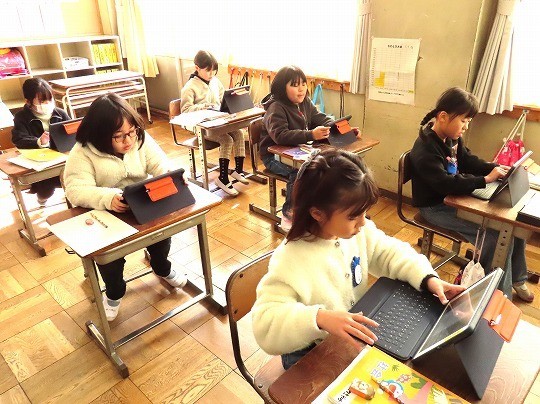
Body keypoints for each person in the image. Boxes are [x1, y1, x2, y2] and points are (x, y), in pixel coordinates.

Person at [252, 148, 464, 369]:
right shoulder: (290, 259)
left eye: (364, 213)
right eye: (354, 216)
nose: (363, 222)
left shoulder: (356, 232)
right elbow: (265, 324)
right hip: (310, 351)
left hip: (349, 337)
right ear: (317, 213)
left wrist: (427, 278)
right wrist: (319, 318)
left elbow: (389, 252)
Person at [63, 93, 187, 321]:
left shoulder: (139, 138)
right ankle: (114, 292)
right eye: (118, 136)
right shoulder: (82, 152)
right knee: (111, 259)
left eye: (131, 132)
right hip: (105, 212)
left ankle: (162, 267)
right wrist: (108, 197)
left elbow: (160, 163)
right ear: (100, 134)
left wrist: (171, 177)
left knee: (161, 236)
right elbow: (75, 190)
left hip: (141, 203)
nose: (128, 141)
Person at [409, 87, 534, 302]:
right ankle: (497, 295)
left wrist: (496, 168)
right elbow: (445, 184)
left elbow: (468, 161)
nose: (466, 127)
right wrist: (485, 180)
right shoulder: (426, 149)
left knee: (513, 225)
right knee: (494, 238)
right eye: (464, 121)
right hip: (435, 207)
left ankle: (518, 278)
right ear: (443, 117)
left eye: (468, 121)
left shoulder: (451, 138)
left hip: (454, 199)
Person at [259, 65, 358, 231]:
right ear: (282, 87)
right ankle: (289, 214)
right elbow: (280, 136)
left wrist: (345, 130)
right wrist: (311, 134)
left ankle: (312, 207)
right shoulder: (276, 107)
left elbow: (321, 118)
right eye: (295, 85)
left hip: (298, 151)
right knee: (299, 172)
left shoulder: (304, 102)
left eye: (303, 84)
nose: (301, 89)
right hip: (273, 156)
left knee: (322, 168)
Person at [180, 50, 248, 196]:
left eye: (214, 70)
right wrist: (204, 106)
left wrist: (232, 102)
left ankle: (238, 170)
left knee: (239, 133)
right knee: (227, 139)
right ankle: (222, 178)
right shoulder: (189, 87)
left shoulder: (215, 81)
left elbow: (224, 99)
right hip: (201, 127)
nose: (211, 74)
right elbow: (185, 111)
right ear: (197, 68)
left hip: (218, 122)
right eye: (208, 70)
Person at [12, 78, 70, 205]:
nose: (47, 103)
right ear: (28, 101)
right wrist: (39, 141)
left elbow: (71, 132)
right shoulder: (21, 117)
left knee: (74, 180)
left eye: (50, 99)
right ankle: (42, 198)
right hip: (41, 166)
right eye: (42, 101)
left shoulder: (60, 113)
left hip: (62, 160)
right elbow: (19, 139)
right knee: (46, 189)